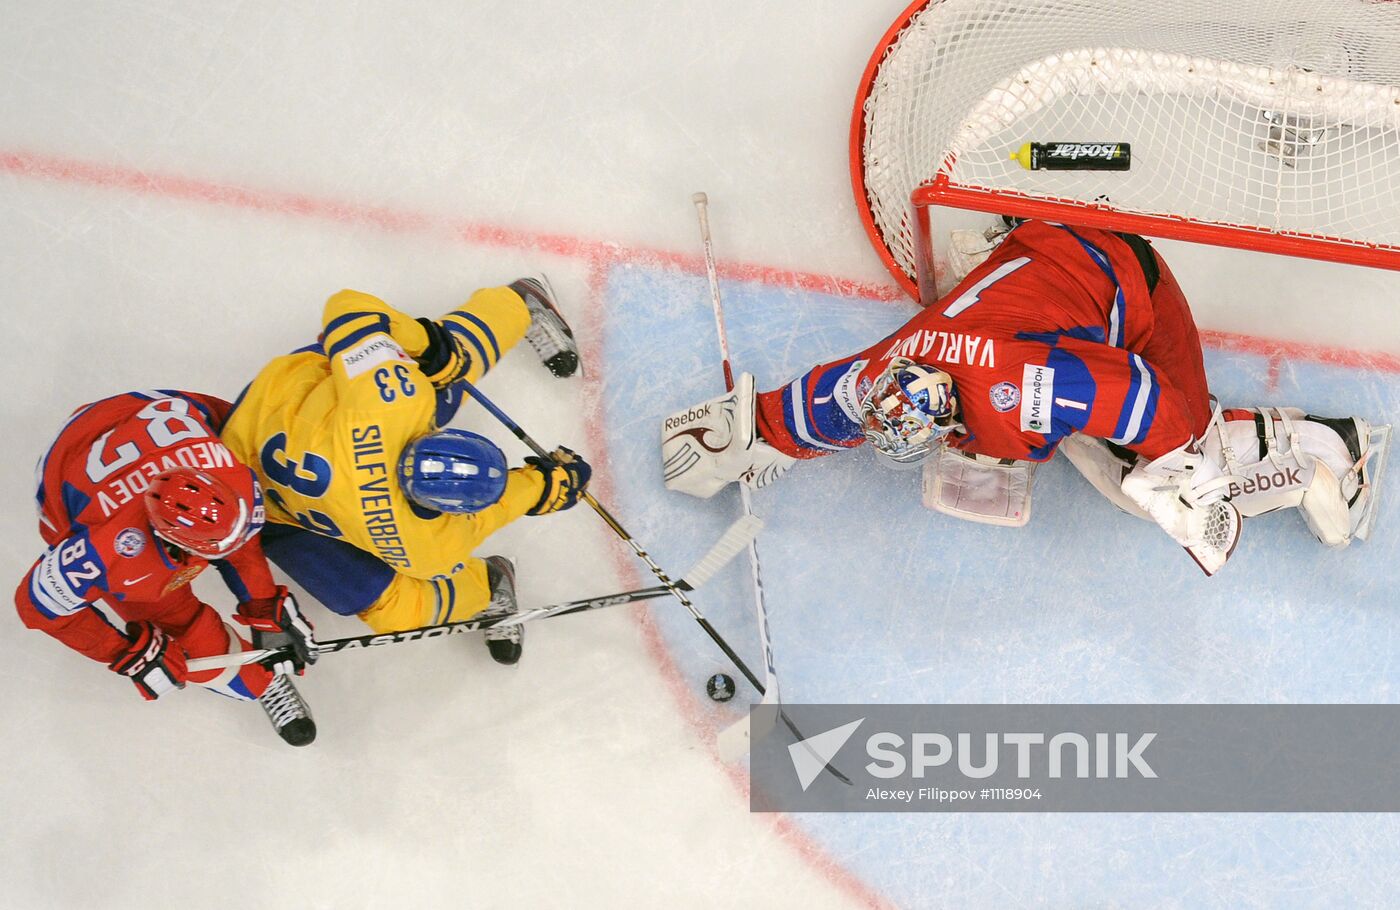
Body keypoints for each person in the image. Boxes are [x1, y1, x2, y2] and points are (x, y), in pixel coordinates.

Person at [661, 220, 1386, 574]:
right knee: (1070, 419)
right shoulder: (890, 371)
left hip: (1130, 282)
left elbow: (1142, 395)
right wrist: (741, 433)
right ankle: (1000, 251)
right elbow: (823, 405)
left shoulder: (1022, 394)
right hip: (1036, 260)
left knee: (1151, 470)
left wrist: (1179, 481)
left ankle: (1331, 450)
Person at [219, 277, 592, 665]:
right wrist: (547, 486)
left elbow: (348, 306)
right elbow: (490, 512)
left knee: (447, 364)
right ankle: (517, 304)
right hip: (259, 496)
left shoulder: (391, 403)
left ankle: (490, 583)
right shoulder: (426, 545)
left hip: (257, 438)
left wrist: (427, 344)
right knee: (398, 610)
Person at [14, 391, 319, 746]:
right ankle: (264, 683)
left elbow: (243, 548)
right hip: (67, 468)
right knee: (185, 631)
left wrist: (266, 608)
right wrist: (125, 652)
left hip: (135, 413)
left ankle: (259, 664)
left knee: (241, 536)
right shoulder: (109, 548)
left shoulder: (229, 469)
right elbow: (35, 605)